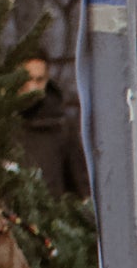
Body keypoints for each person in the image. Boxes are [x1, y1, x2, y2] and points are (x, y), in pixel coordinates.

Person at [13, 57, 89, 201]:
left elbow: (81, 185)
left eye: (39, 80)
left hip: (49, 209)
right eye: (26, 80)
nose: (32, 87)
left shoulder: (61, 126)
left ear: (47, 81)